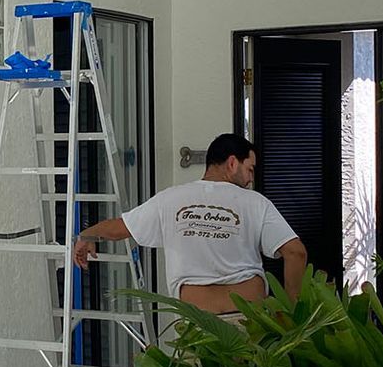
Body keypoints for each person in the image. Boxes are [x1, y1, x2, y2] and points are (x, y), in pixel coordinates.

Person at [72, 132, 307, 311]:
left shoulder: (170, 199)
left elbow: (120, 228)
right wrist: (290, 309)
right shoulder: (256, 203)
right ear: (233, 163)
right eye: (250, 169)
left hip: (199, 320)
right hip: (250, 316)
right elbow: (296, 253)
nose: (250, 179)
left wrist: (88, 235)